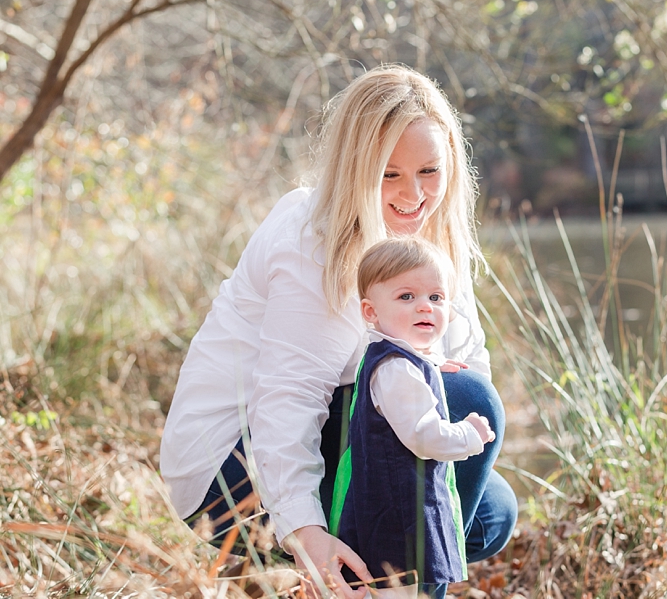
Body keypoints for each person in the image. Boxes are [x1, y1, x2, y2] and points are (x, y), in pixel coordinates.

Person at [159, 65, 517, 598]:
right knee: (460, 397)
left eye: (429, 171)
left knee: (491, 511)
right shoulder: (313, 235)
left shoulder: (427, 241)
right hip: (231, 467)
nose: (413, 195)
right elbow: (288, 396)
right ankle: (387, 583)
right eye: (388, 174)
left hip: (336, 432)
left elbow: (467, 355)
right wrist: (306, 533)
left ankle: (381, 580)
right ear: (355, 168)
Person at [330, 238, 495, 599]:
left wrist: (431, 366)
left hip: (393, 508)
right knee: (399, 590)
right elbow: (424, 435)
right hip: (397, 515)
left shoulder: (397, 360)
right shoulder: (397, 370)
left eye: (436, 298)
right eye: (407, 297)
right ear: (371, 312)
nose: (425, 306)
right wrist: (469, 433)